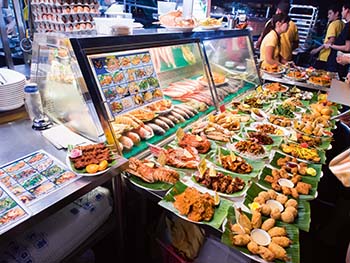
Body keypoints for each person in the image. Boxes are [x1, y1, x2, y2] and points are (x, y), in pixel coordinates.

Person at [310, 4, 344, 70]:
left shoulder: (333, 24)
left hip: (325, 56)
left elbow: (331, 40)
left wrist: (317, 50)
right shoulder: (342, 24)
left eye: (330, 13)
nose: (328, 16)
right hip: (335, 57)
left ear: (336, 13)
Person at [324, 3, 350, 79]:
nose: (342, 13)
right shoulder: (344, 24)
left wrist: (330, 45)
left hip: (337, 64)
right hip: (339, 62)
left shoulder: (348, 26)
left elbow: (347, 48)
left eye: (342, 10)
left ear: (347, 10)